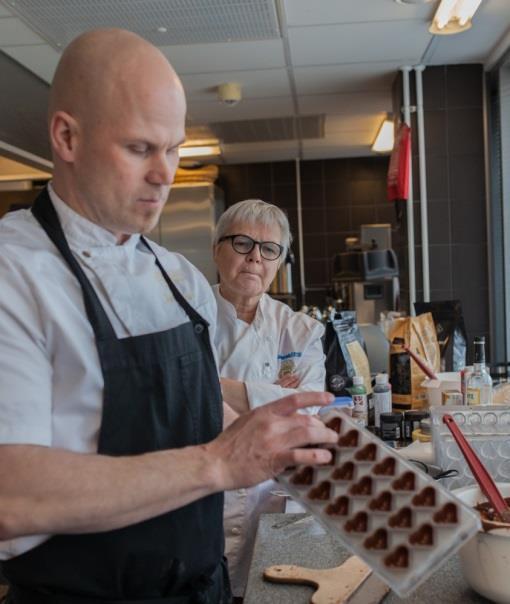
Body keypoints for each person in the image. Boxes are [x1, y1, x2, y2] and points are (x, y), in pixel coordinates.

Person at [0, 29, 338, 604]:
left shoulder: (177, 278)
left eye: (174, 148)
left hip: (201, 584)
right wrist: (216, 464)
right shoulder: (14, 272)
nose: (165, 174)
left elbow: (197, 405)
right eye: (139, 148)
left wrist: (299, 442)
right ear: (67, 137)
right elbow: (12, 497)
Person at [212, 200, 326, 598]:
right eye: (242, 243)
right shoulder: (185, 317)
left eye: (269, 249)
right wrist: (275, 396)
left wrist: (212, 385)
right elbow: (176, 401)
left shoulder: (301, 330)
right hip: (204, 496)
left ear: (279, 260)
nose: (255, 257)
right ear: (217, 250)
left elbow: (308, 407)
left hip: (273, 496)